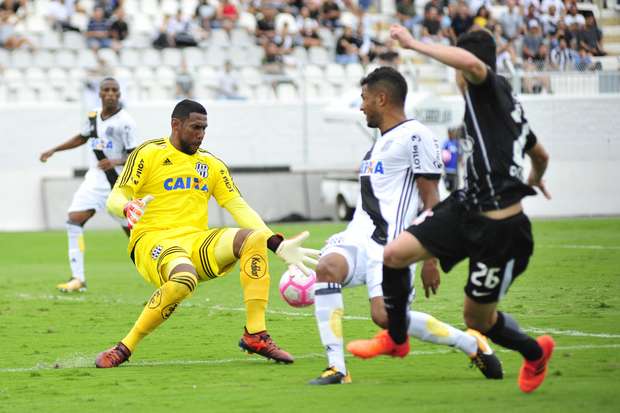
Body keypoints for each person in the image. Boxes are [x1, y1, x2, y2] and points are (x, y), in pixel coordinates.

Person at [347, 25, 554, 394]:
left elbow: (474, 64)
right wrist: (536, 177)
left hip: (500, 228)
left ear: (465, 70)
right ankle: (397, 338)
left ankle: (534, 352)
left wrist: (412, 44)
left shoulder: (489, 88)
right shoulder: (504, 109)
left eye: (458, 69)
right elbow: (540, 154)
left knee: (479, 319)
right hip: (466, 207)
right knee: (395, 254)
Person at [309, 67, 502, 385]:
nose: (361, 106)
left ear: (381, 99)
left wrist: (430, 256)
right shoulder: (378, 145)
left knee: (384, 318)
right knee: (327, 268)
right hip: (361, 236)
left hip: (393, 246)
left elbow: (432, 199)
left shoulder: (417, 136)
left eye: (364, 99)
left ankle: (471, 343)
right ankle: (337, 369)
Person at [94, 99, 319, 368]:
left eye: (204, 128)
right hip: (153, 239)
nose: (200, 134)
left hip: (195, 240)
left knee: (253, 238)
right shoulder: (149, 153)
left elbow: (237, 205)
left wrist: (276, 244)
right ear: (175, 125)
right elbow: (116, 196)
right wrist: (126, 207)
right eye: (195, 127)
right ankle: (125, 347)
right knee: (184, 279)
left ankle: (255, 334)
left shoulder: (211, 164)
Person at [39, 78, 137, 293]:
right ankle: (78, 279)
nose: (110, 93)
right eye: (106, 90)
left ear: (119, 94)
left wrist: (115, 161)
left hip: (117, 183)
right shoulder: (92, 116)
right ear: (100, 94)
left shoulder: (126, 122)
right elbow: (82, 138)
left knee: (134, 233)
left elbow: (135, 155)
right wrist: (54, 150)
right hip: (94, 179)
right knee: (74, 220)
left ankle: (159, 268)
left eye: (114, 90)